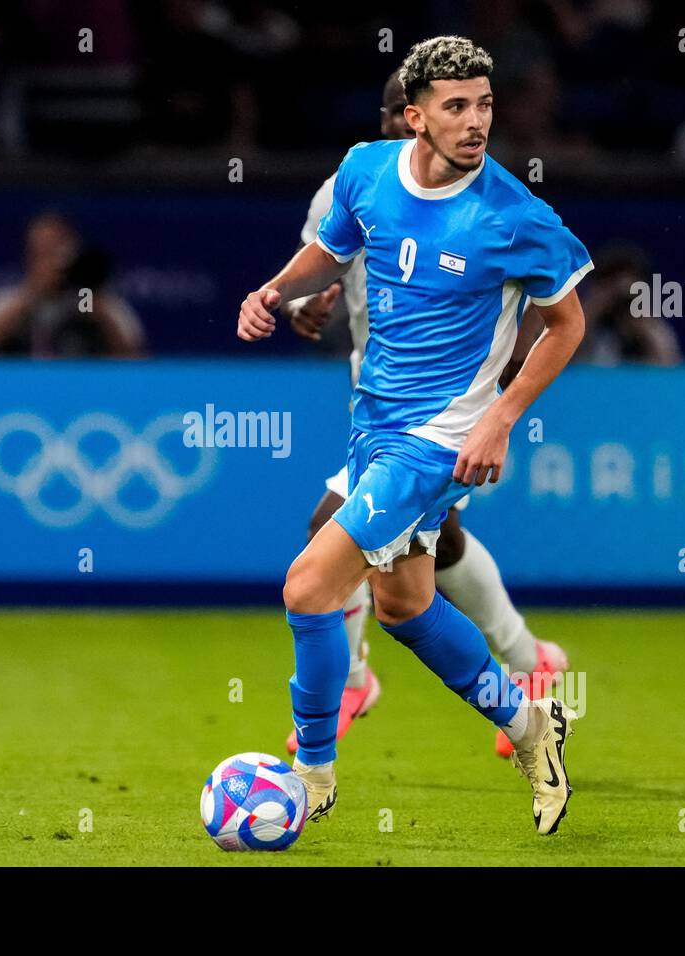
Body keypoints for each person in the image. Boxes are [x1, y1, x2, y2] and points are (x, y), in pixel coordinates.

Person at [237, 36, 590, 835]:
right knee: (403, 607)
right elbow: (332, 250)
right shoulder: (364, 170)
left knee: (306, 586)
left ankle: (310, 774)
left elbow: (567, 325)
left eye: (485, 105)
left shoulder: (515, 216)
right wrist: (278, 291)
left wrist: (500, 418)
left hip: (441, 439)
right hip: (374, 424)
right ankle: (531, 722)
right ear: (415, 117)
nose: (475, 122)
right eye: (457, 106)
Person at [0, 212, 146, 358]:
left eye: (57, 251)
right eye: (43, 253)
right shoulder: (7, 299)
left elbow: (134, 356)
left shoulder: (94, 299)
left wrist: (92, 303)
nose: (51, 261)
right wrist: (33, 293)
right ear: (29, 257)